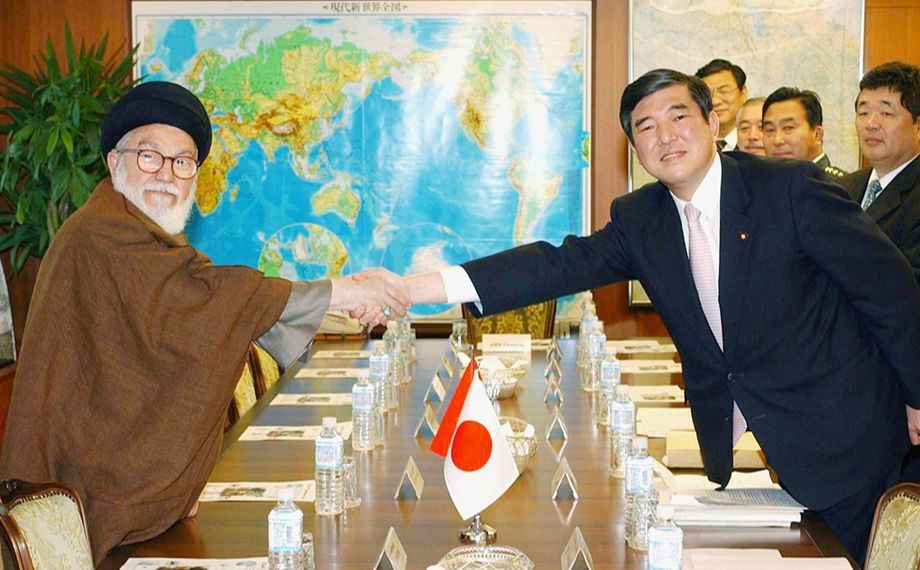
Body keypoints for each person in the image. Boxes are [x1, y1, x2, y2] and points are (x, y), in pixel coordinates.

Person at [407, 69, 920, 565]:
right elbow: (556, 264)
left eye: (679, 117)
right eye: (646, 127)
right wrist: (420, 288)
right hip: (774, 446)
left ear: (712, 125)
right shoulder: (641, 218)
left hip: (850, 437)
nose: (665, 136)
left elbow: (891, 292)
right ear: (635, 149)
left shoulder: (789, 189)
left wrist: (917, 397)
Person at [0, 81, 408, 564]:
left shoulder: (142, 238)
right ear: (114, 162)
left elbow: (174, 331)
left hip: (96, 492)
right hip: (80, 503)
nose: (166, 176)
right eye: (149, 156)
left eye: (182, 162)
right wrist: (345, 291)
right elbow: (207, 299)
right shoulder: (99, 235)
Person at [838, 61, 920, 484]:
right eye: (862, 110)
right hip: (840, 388)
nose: (871, 123)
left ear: (916, 123)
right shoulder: (843, 190)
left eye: (887, 112)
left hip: (895, 392)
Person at [762, 87, 847, 177]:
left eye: (788, 128)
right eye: (770, 130)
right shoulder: (762, 185)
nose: (777, 140)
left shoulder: (840, 186)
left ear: (818, 135)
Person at [695, 59, 747, 150]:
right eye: (708, 94)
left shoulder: (757, 142)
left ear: (743, 93)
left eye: (724, 91)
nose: (715, 101)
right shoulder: (696, 147)